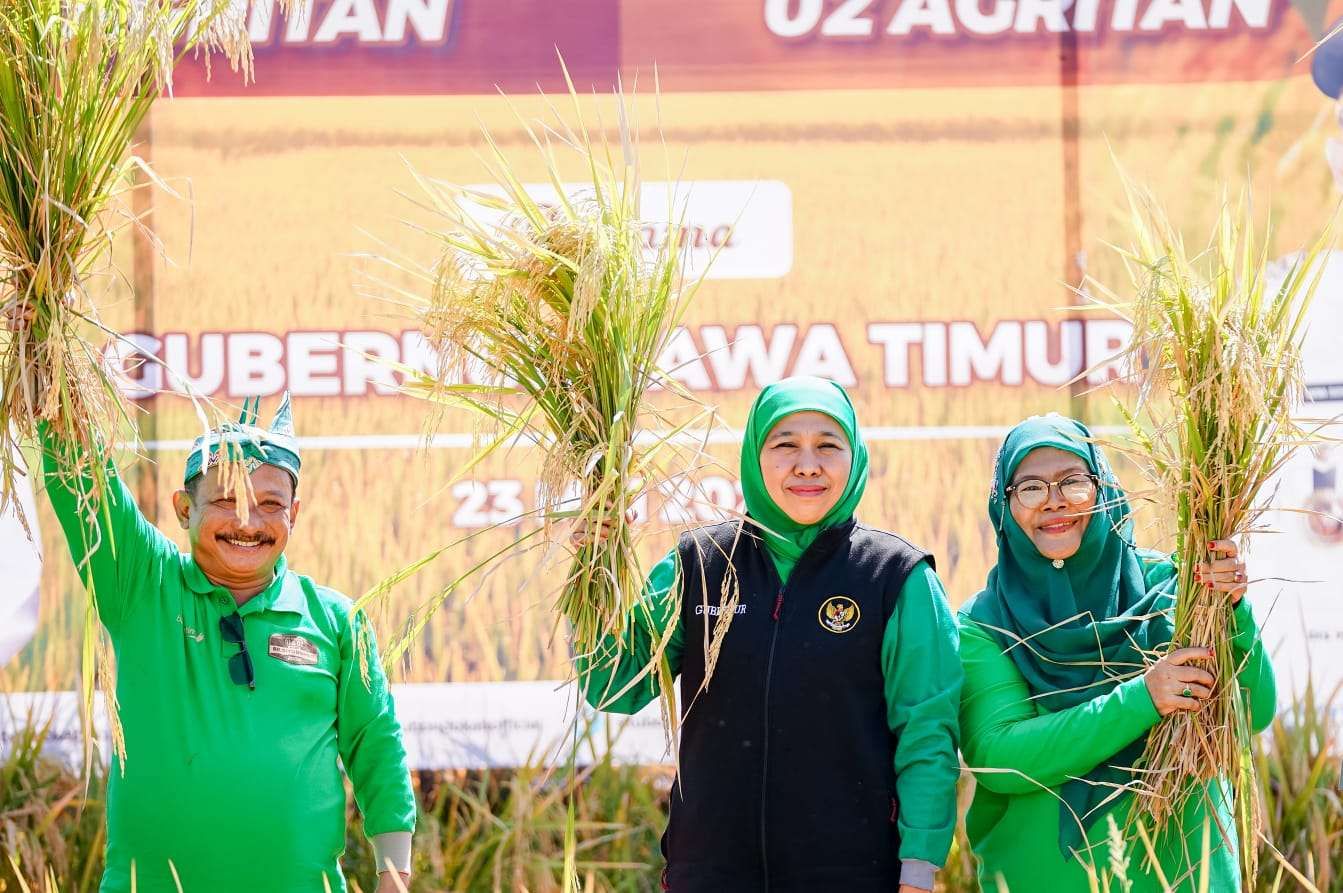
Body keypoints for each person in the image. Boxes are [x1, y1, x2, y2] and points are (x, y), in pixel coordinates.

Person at [13, 298, 416, 893]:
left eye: (271, 504)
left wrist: (394, 871)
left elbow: (376, 746)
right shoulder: (142, 586)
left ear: (295, 515)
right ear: (184, 509)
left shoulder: (335, 621)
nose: (248, 521)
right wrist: (44, 356)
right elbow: (83, 478)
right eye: (225, 499)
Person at [573, 376, 962, 892]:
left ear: (855, 456)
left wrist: (919, 869)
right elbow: (613, 687)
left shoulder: (896, 577)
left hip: (853, 874)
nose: (807, 464)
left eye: (828, 445)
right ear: (756, 455)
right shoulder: (699, 566)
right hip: (710, 872)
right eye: (785, 445)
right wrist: (592, 572)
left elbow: (927, 733)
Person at [957, 414, 1276, 891]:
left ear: (1102, 486)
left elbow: (1254, 710)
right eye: (1029, 488)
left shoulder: (1173, 586)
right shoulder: (985, 625)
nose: (1054, 501)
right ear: (1003, 505)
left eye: (1073, 481)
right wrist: (1144, 697)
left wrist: (1234, 611)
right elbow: (1001, 756)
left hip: (1186, 871)